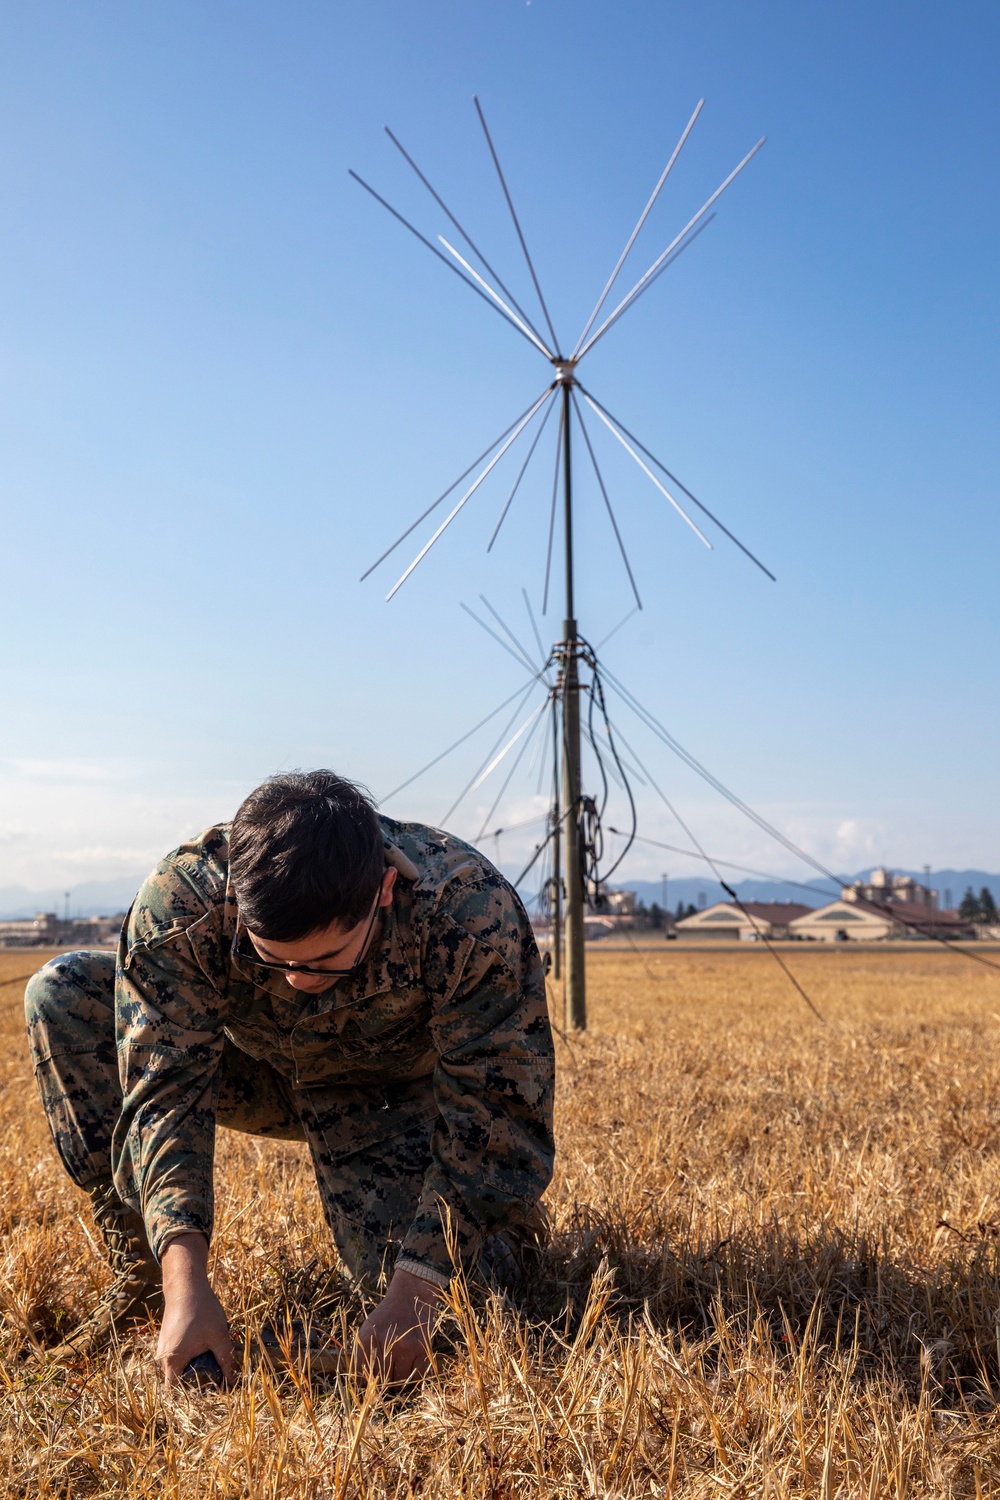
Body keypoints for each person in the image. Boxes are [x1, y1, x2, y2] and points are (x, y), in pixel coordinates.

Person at [24, 770, 555, 1385]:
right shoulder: (183, 902)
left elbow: (497, 1115)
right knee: (62, 994)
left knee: (459, 1322)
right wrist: (184, 1279)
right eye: (272, 957)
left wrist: (418, 1287)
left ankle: (502, 1235)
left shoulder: (467, 912)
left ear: (384, 891)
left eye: (326, 959)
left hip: (388, 1096)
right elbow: (164, 1095)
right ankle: (145, 1278)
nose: (298, 978)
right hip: (256, 1069)